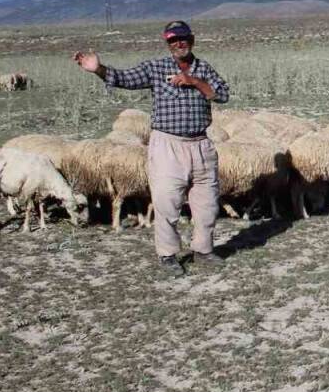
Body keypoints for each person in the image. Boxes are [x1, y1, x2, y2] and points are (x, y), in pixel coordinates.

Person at [73, 20, 230, 278]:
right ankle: (168, 254)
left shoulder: (204, 68)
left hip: (201, 143)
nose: (178, 43)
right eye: (172, 40)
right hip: (168, 144)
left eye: (182, 38)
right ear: (167, 43)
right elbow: (123, 78)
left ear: (192, 39)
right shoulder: (155, 68)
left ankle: (203, 249)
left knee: (207, 203)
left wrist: (193, 81)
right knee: (167, 202)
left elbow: (222, 94)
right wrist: (98, 69)